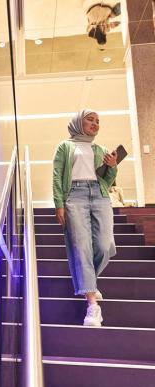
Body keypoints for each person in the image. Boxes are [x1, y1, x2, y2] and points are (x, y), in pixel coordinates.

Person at [53, 109, 117, 327]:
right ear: (78, 122)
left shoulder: (100, 149)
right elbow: (57, 175)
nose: (95, 123)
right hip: (74, 195)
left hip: (100, 195)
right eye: (90, 119)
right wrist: (59, 204)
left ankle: (88, 280)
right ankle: (92, 306)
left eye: (98, 121)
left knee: (105, 245)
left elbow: (107, 181)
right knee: (82, 248)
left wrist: (112, 167)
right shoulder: (65, 146)